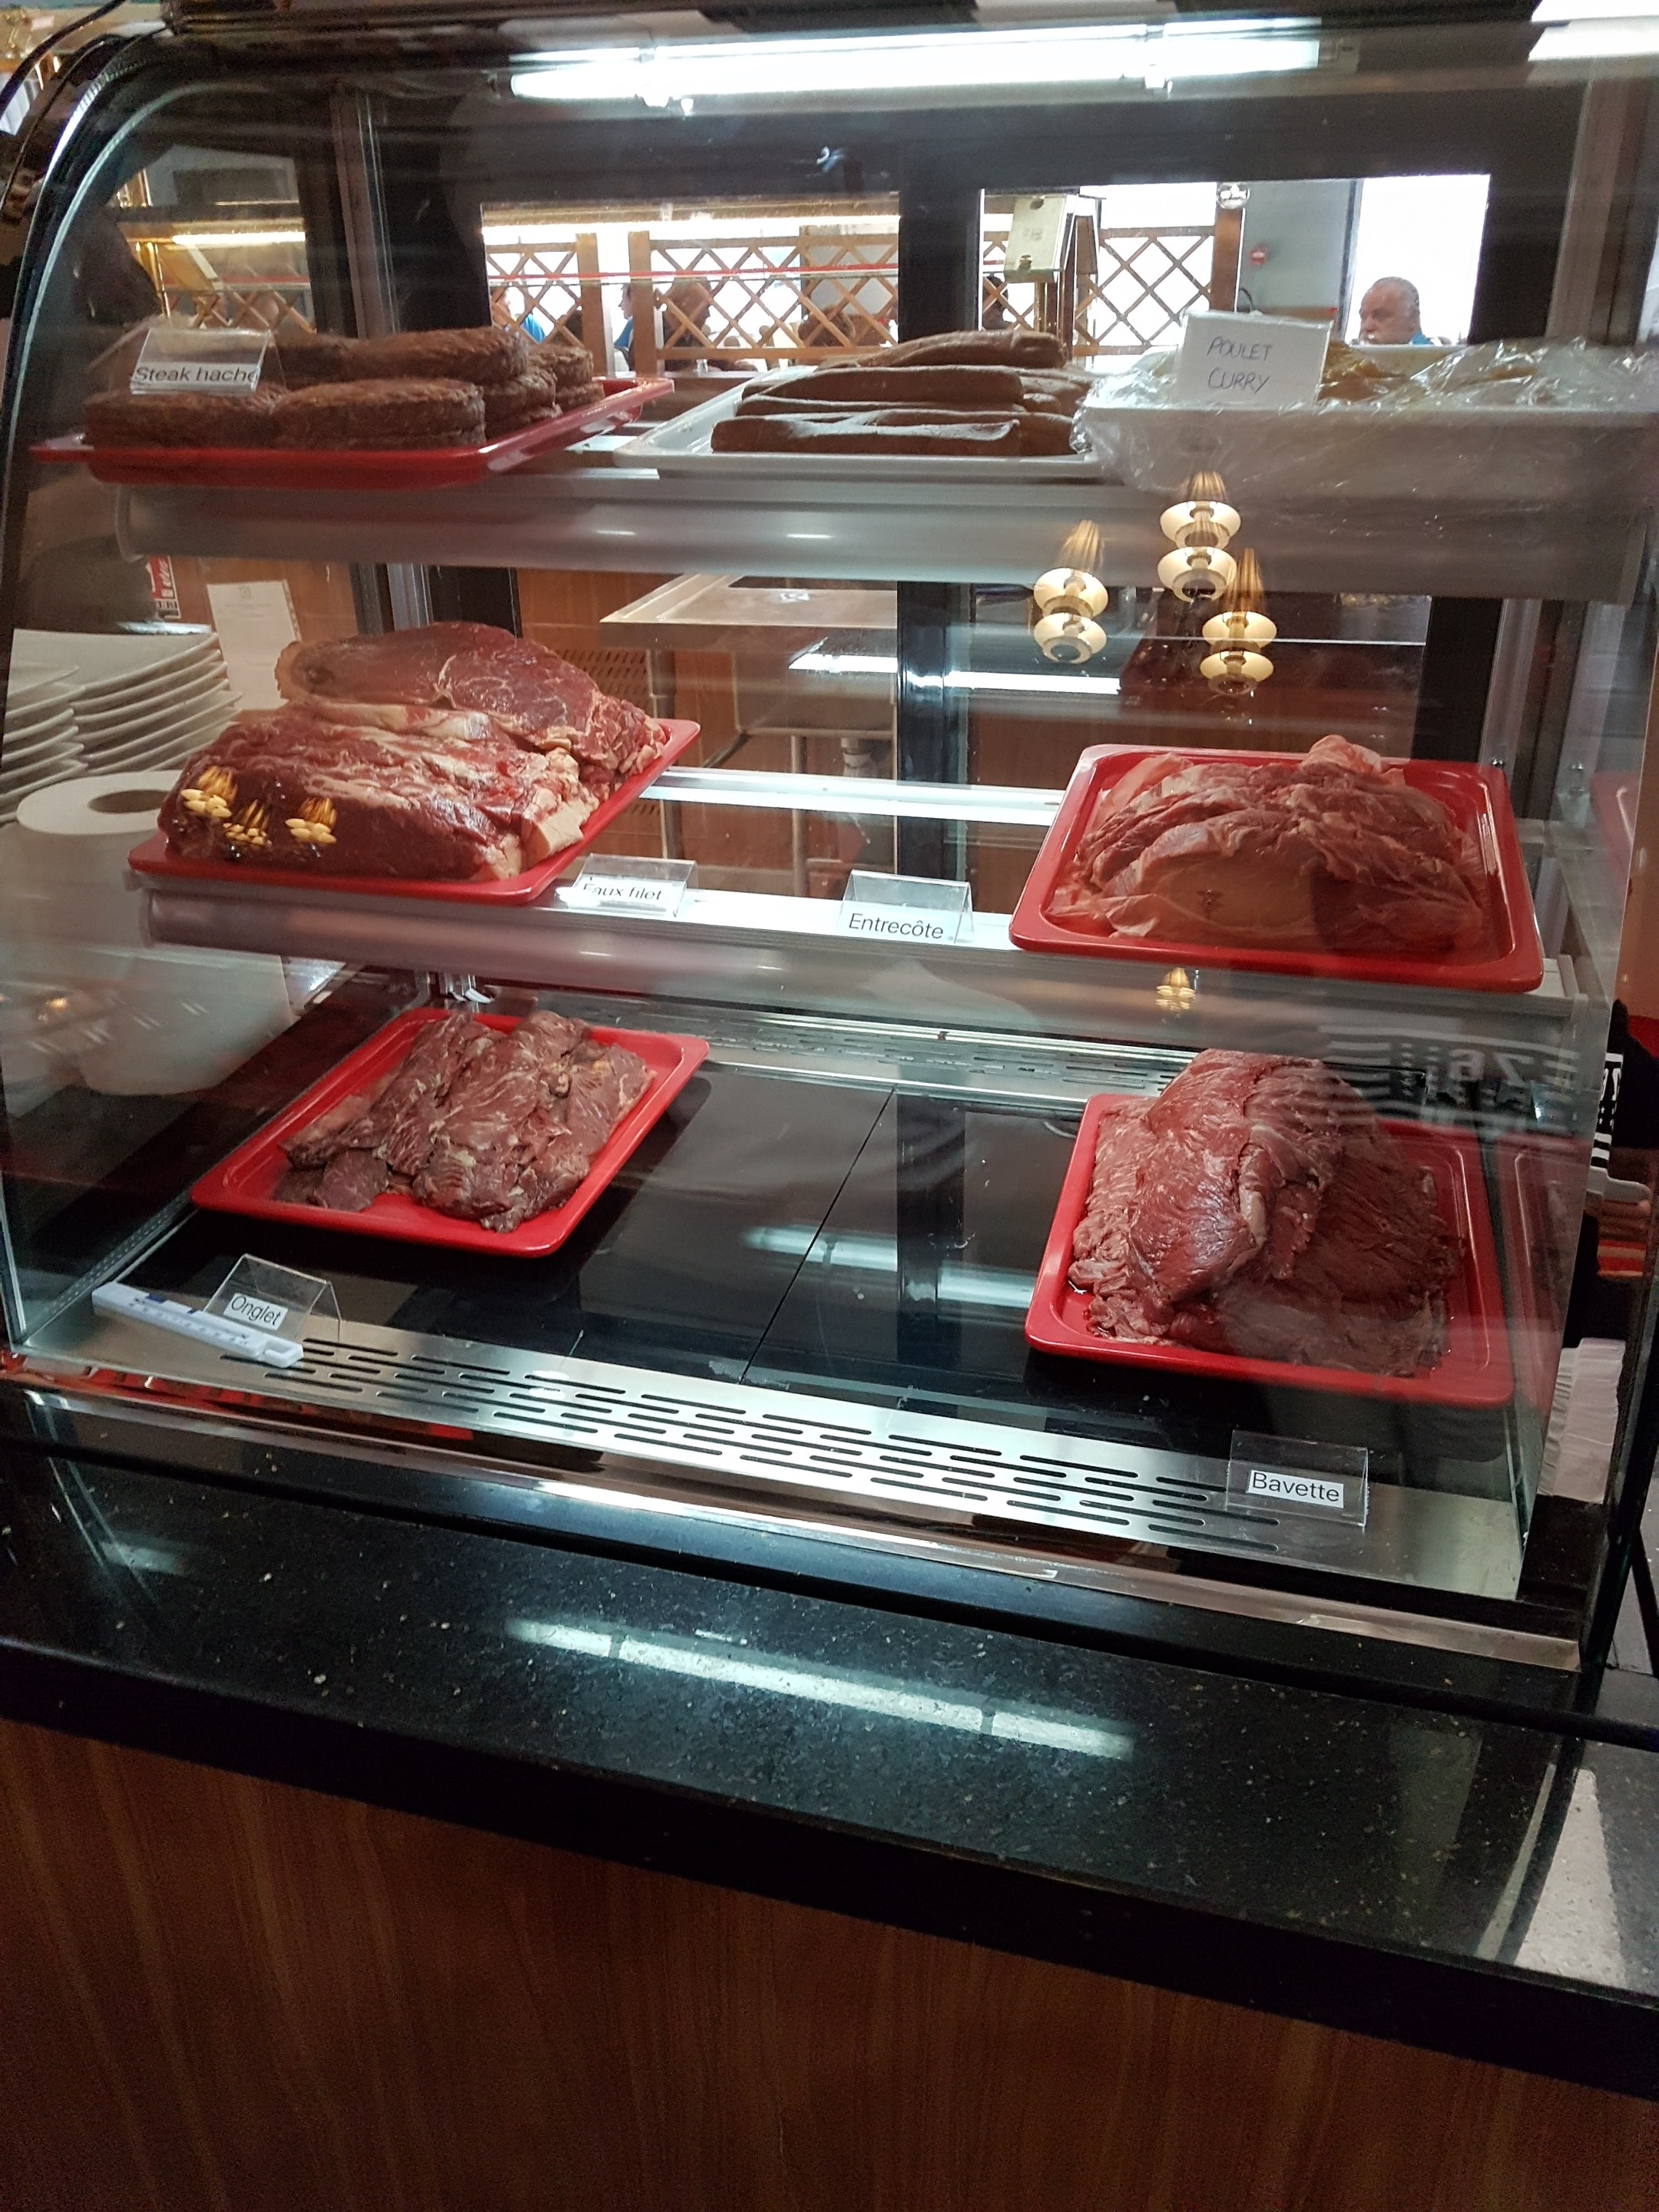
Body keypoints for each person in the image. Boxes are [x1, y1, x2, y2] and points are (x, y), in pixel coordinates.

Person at [1356, 275, 1431, 345]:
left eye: (1380, 316)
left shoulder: (1431, 354)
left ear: (1412, 318)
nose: (1367, 326)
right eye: (1363, 317)